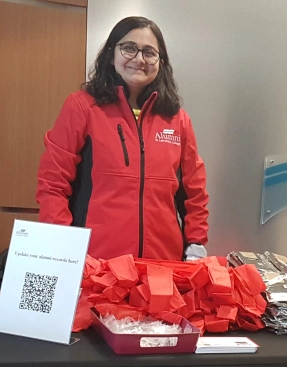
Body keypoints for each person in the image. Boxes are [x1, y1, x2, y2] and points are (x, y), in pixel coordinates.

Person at [36, 16, 209, 261]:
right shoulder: (82, 108)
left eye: (149, 52)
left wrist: (195, 244)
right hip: (96, 265)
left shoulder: (178, 120)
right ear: (111, 53)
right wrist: (64, 248)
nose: (139, 59)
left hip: (161, 267)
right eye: (129, 48)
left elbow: (194, 194)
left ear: (161, 62)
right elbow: (53, 184)